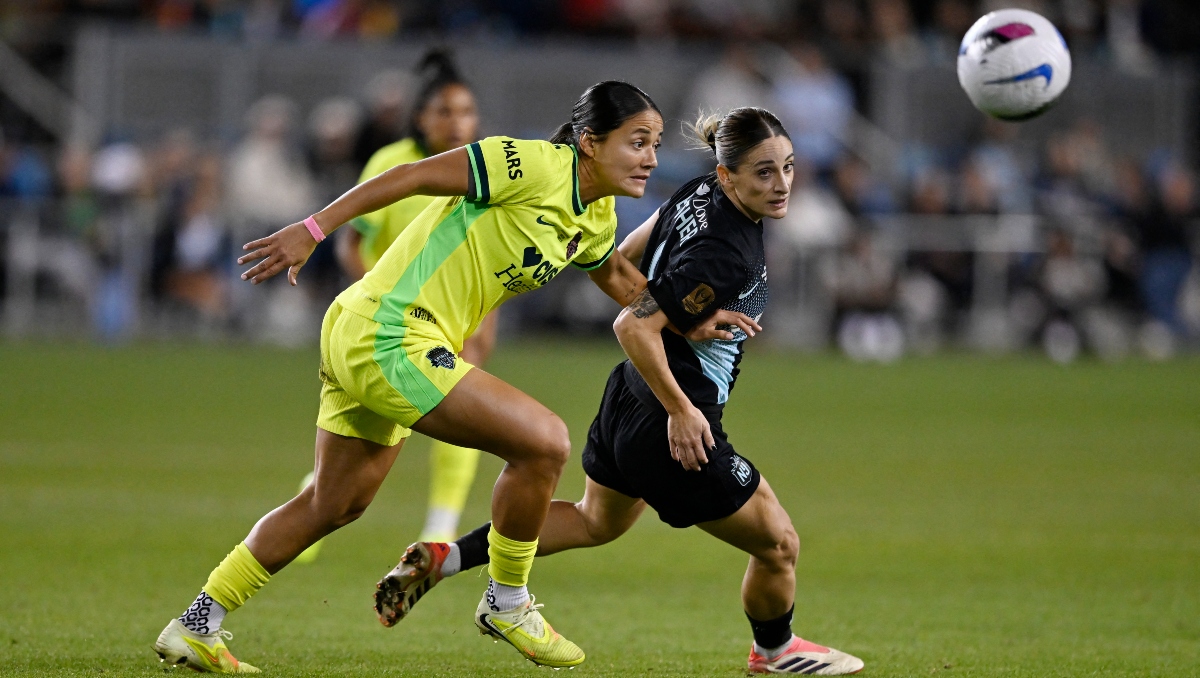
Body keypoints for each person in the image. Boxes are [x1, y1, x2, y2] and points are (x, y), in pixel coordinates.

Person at [152, 81, 756, 673]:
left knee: (332, 504)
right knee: (543, 442)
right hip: (389, 332)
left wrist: (688, 321)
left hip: (374, 332)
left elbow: (625, 286)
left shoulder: (594, 216)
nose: (651, 157)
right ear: (590, 142)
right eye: (637, 141)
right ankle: (508, 602)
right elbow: (410, 177)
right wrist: (312, 230)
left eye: (654, 143)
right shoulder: (526, 164)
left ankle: (195, 626)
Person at [375, 108, 865, 676]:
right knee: (779, 543)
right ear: (729, 175)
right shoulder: (726, 252)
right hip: (674, 416)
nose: (781, 185)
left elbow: (624, 256)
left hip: (628, 395)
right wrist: (681, 408)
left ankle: (447, 557)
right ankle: (775, 650)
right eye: (763, 173)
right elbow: (632, 324)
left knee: (595, 522)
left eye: (788, 168)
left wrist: (675, 315)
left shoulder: (700, 190)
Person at [303, 50, 486, 562]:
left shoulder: (483, 171)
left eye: (467, 112)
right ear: (420, 118)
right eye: (445, 112)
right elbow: (352, 243)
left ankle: (441, 527)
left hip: (446, 322)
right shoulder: (391, 164)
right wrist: (377, 296)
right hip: (384, 327)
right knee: (366, 444)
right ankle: (315, 499)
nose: (458, 123)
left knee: (469, 418)